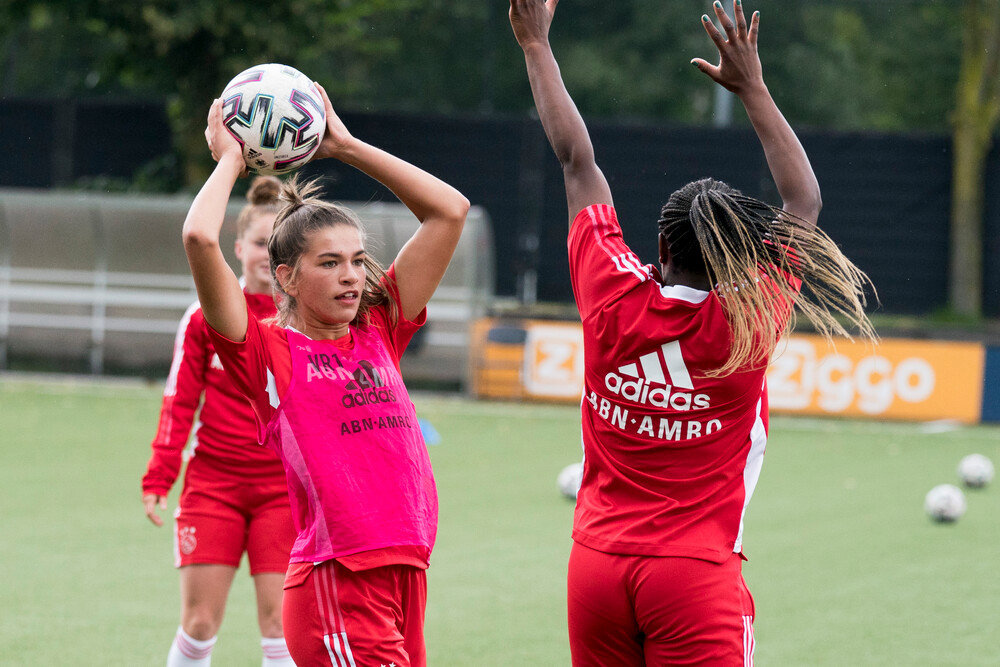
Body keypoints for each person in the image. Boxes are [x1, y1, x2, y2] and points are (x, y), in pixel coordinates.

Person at [509, 1, 875, 664]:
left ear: (659, 245)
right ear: (743, 256)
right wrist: (753, 88)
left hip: (594, 566)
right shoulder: (747, 323)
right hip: (692, 574)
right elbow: (804, 203)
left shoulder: (610, 292)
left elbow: (575, 159)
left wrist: (535, 43)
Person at [182, 82, 469, 667]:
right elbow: (199, 238)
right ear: (285, 277)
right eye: (329, 263)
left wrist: (346, 146)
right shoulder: (269, 351)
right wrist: (231, 160)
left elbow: (449, 211)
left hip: (404, 573)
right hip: (337, 585)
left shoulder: (379, 328)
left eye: (357, 261)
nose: (350, 277)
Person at [142, 176, 296, 667]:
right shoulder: (205, 316)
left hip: (285, 490)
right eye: (258, 244)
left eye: (278, 247)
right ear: (237, 247)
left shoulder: (308, 320)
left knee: (280, 626)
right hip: (213, 485)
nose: (266, 257)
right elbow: (178, 401)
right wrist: (160, 475)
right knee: (200, 623)